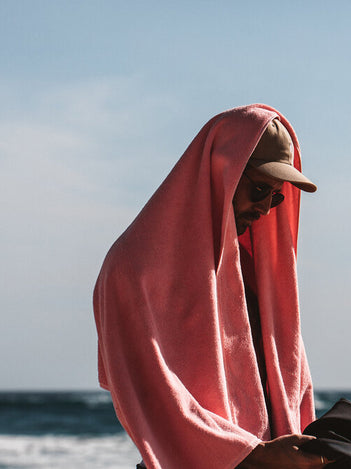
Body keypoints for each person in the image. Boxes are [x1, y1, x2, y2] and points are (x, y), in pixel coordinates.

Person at [93, 104, 329, 468]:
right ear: (222, 169)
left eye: (277, 196)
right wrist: (254, 455)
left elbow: (294, 386)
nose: (266, 207)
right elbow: (154, 398)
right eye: (260, 189)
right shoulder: (133, 269)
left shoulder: (257, 277)